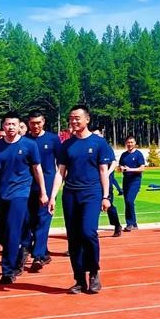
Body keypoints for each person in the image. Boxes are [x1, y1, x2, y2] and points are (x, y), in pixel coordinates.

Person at [48, 105, 114, 294]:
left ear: (87, 119)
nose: (74, 121)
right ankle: (79, 279)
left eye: (77, 118)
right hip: (70, 194)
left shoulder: (99, 143)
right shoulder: (66, 145)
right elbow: (60, 172)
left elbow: (103, 171)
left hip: (91, 193)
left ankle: (94, 272)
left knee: (88, 232)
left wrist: (105, 196)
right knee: (74, 238)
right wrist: (53, 196)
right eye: (71, 118)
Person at [0, 113, 46, 285]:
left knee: (11, 230)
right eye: (7, 124)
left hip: (20, 193)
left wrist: (43, 192)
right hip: (1, 193)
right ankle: (24, 245)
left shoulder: (29, 145)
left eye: (14, 124)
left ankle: (8, 270)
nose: (10, 127)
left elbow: (37, 169)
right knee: (1, 232)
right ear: (3, 126)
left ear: (19, 126)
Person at [22, 111, 60, 271]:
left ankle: (37, 256)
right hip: (28, 185)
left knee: (44, 219)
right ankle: (42, 252)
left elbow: (62, 163)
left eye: (38, 122)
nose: (35, 126)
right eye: (32, 123)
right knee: (29, 221)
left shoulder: (53, 139)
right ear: (28, 124)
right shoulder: (25, 140)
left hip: (48, 184)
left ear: (43, 122)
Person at [117, 136, 145, 231]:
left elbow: (142, 168)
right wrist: (120, 168)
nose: (130, 144)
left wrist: (130, 169)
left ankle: (130, 223)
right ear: (126, 143)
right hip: (126, 181)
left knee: (129, 201)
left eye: (131, 142)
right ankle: (134, 223)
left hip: (135, 181)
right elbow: (119, 166)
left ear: (135, 143)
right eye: (128, 142)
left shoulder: (138, 154)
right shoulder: (124, 155)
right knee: (127, 203)